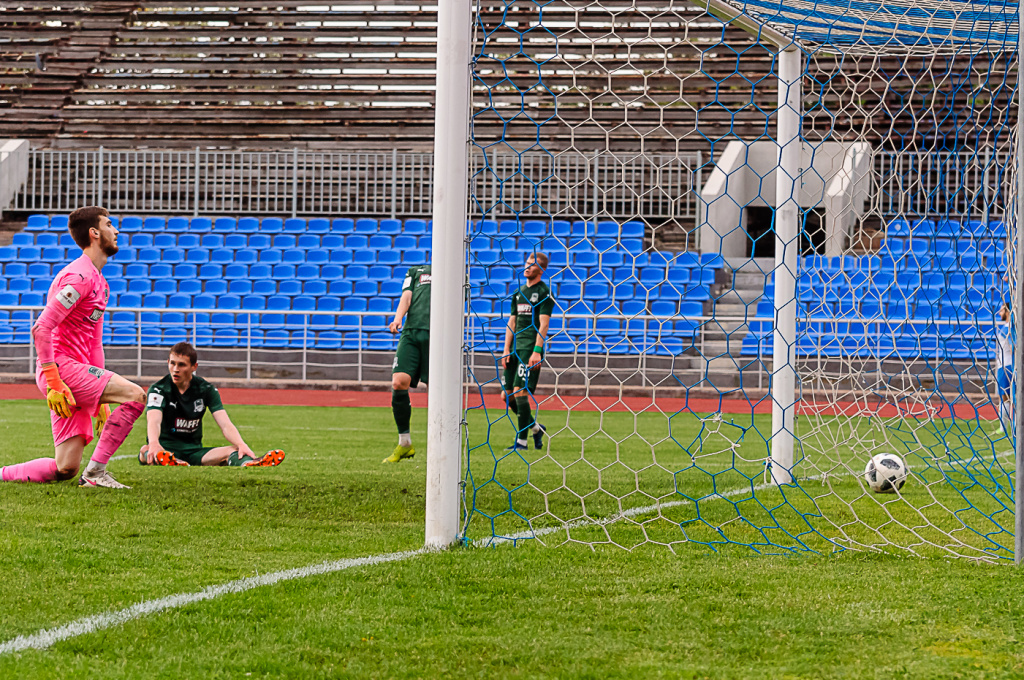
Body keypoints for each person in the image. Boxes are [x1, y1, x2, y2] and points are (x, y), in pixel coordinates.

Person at [1, 206, 145, 488]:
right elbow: (41, 328)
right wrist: (54, 382)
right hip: (62, 371)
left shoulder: (99, 282)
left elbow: (93, 341)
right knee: (135, 396)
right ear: (94, 233)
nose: (116, 231)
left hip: (77, 372)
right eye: (109, 224)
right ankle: (95, 475)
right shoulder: (79, 279)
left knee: (65, 467)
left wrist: (101, 402)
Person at [139, 343, 285, 467]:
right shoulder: (158, 389)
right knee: (145, 450)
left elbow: (225, 424)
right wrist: (154, 443)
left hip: (194, 452)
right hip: (164, 449)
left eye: (181, 365)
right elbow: (154, 419)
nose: (175, 369)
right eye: (172, 363)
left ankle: (249, 463)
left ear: (194, 366)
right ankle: (168, 459)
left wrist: (242, 444)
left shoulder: (206, 389)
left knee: (233, 450)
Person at [501, 253, 554, 452]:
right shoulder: (518, 292)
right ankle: (535, 428)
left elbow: (544, 324)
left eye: (532, 265)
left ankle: (521, 443)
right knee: (506, 396)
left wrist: (537, 351)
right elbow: (512, 322)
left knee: (519, 391)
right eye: (526, 263)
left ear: (540, 270)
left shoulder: (544, 292)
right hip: (515, 349)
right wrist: (506, 349)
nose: (526, 267)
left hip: (530, 349)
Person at [384, 262, 431, 463]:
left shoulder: (456, 271)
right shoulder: (416, 271)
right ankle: (404, 443)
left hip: (438, 336)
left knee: (437, 389)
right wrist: (397, 318)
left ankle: (443, 443)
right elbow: (407, 295)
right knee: (398, 382)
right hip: (411, 333)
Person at [995, 302, 1013, 435]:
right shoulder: (1009, 328)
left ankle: (1003, 428)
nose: (999, 313)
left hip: (1006, 366)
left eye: (1001, 311)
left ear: (1008, 312)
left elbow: (1013, 347)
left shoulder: (1008, 329)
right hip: (1008, 365)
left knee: (1005, 397)